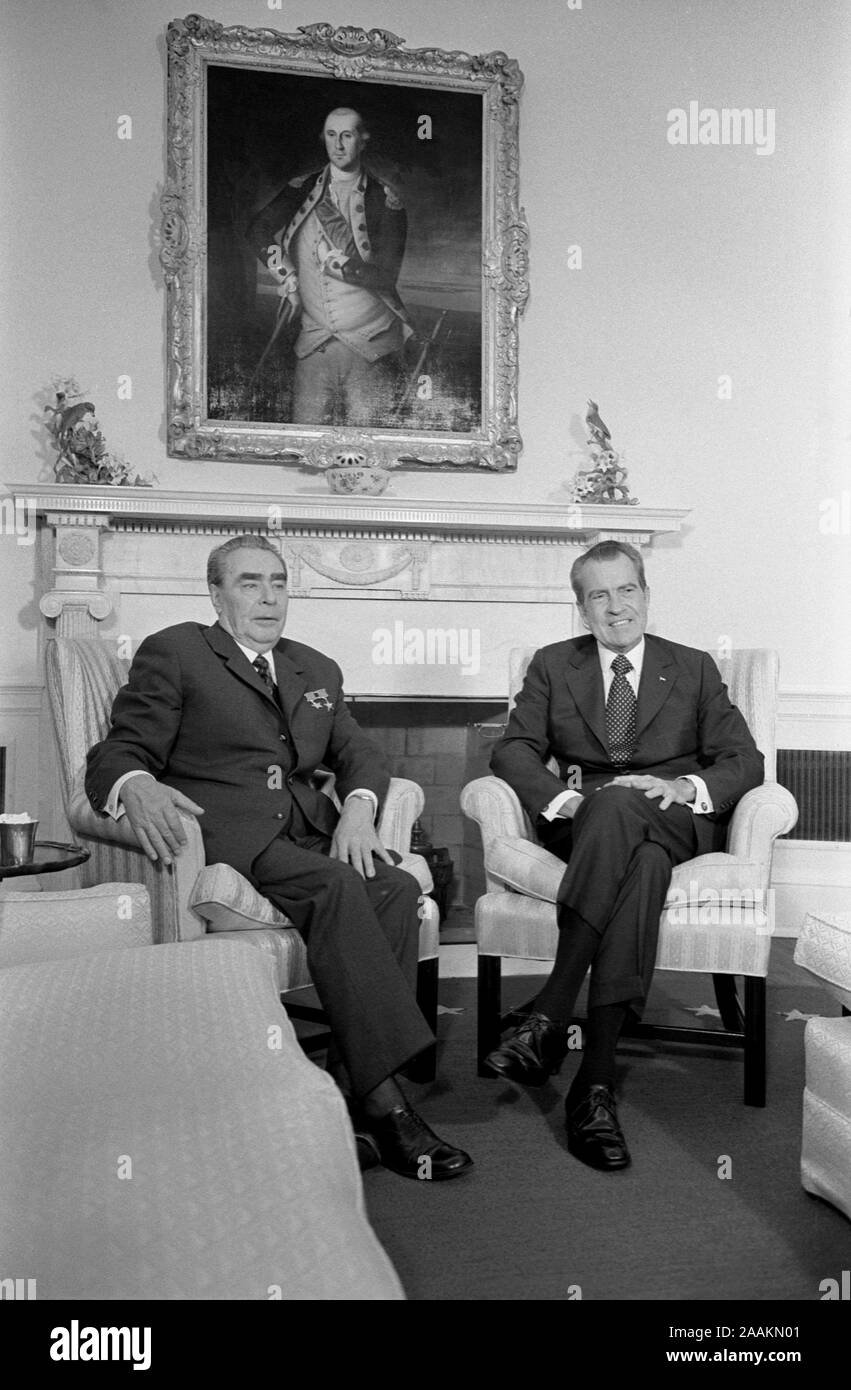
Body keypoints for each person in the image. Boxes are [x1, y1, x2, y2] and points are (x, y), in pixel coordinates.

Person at [85, 533, 472, 1183]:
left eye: (277, 583)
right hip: (233, 836)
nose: (268, 597)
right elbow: (119, 750)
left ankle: (350, 1083)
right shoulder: (177, 652)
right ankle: (386, 1104)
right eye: (248, 583)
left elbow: (361, 755)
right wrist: (136, 783)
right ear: (216, 593)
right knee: (337, 886)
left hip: (308, 827)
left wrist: (355, 806)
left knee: (396, 888)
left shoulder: (313, 668)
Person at [485, 541, 764, 1172]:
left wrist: (684, 788)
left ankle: (551, 1014)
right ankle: (595, 1084)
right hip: (590, 827)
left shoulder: (691, 668)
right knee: (636, 865)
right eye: (599, 596)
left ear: (646, 593)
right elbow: (513, 752)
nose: (617, 608)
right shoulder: (554, 665)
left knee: (622, 812)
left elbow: (745, 760)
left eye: (627, 590)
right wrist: (565, 802)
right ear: (582, 609)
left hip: (672, 818)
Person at [250, 106, 413, 425]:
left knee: (366, 442)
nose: (338, 145)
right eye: (331, 135)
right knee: (306, 436)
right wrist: (286, 274)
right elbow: (256, 229)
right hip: (312, 341)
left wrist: (336, 263)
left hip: (371, 343)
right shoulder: (302, 189)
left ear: (362, 141)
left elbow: (386, 276)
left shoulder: (385, 199)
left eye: (347, 136)